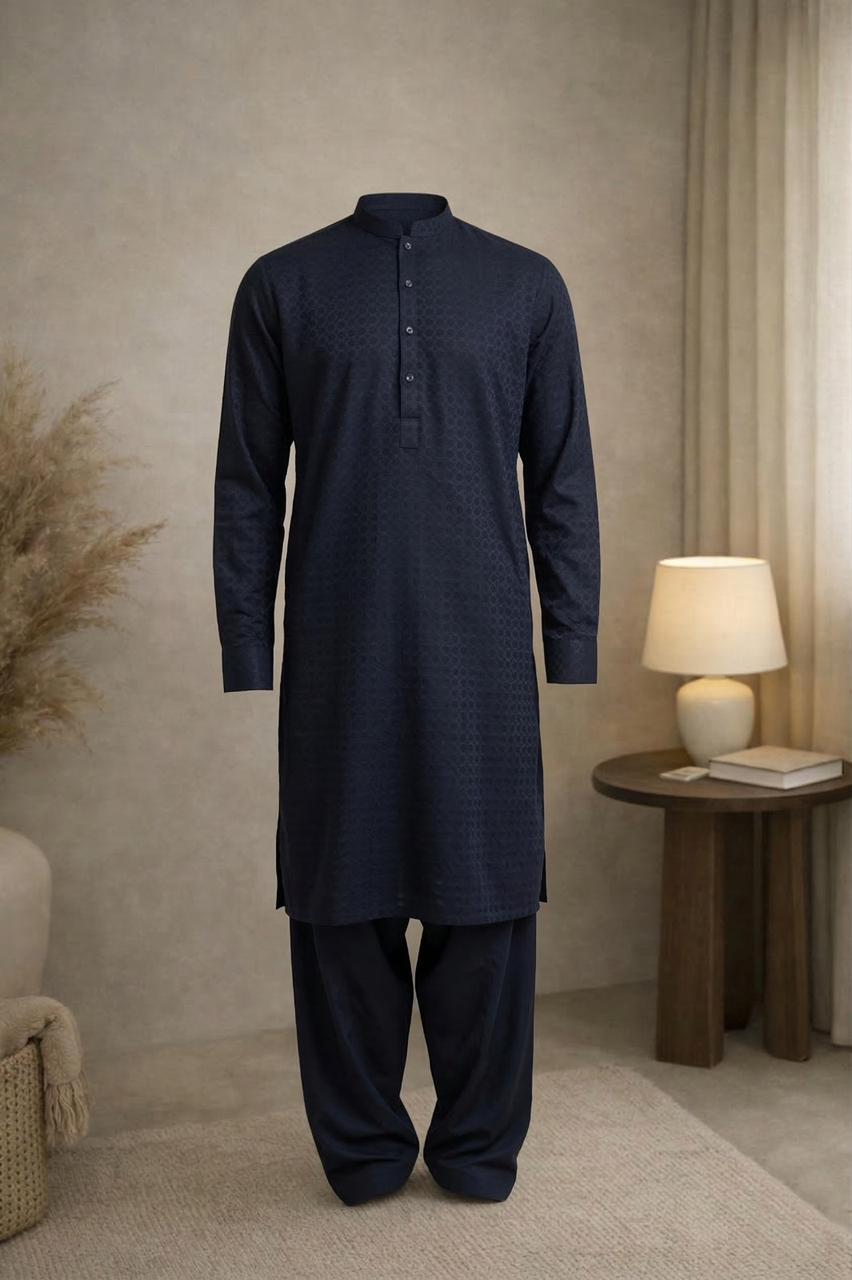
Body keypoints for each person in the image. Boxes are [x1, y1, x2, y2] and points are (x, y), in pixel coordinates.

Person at [213, 192, 601, 1205]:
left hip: (484, 652)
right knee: (340, 902)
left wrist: (572, 637)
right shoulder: (281, 286)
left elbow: (562, 479)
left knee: (489, 899)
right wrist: (247, 643)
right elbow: (248, 483)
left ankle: (477, 1148)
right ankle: (363, 1152)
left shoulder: (526, 285)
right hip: (339, 651)